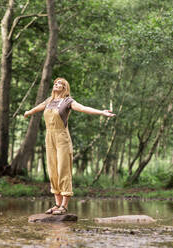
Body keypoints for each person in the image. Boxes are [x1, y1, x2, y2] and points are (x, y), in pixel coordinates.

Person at [24, 77, 115, 215]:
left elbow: (83, 108)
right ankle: (57, 204)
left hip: (62, 138)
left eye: (59, 83)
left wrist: (101, 112)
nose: (56, 84)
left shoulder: (68, 101)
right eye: (55, 83)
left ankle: (64, 206)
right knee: (53, 170)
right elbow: (39, 107)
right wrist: (29, 112)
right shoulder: (49, 101)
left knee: (63, 170)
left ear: (65, 87)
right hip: (49, 138)